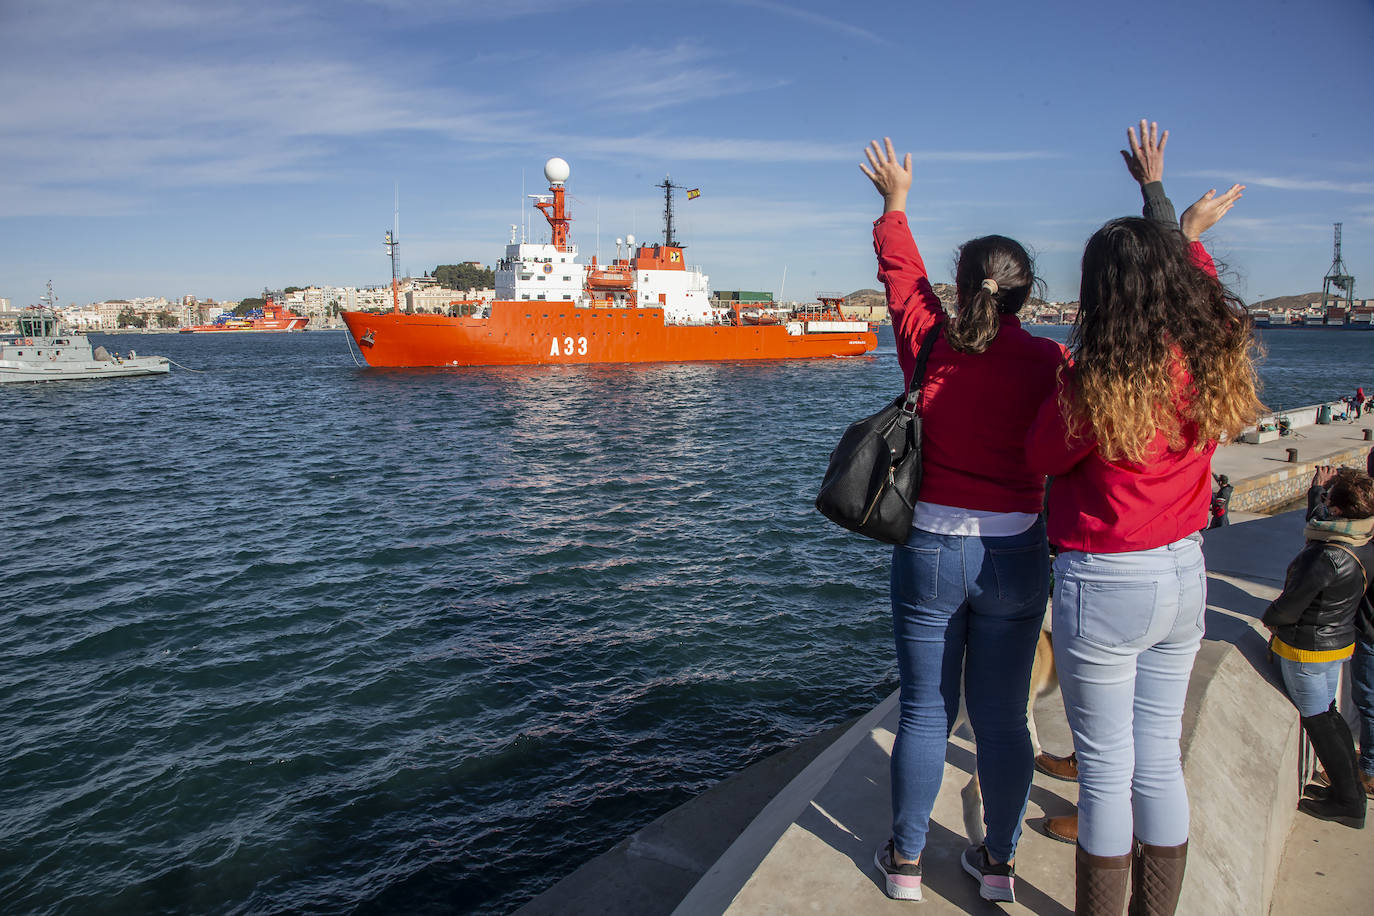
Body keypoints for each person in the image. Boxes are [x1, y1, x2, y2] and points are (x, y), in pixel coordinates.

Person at [1026, 120, 1263, 916]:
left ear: (1098, 292)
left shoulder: (1094, 380)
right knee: (1158, 762)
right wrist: (1172, 216)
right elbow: (1202, 293)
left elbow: (1041, 458)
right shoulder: (1210, 353)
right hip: (1183, 572)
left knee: (1105, 767)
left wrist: (1169, 212)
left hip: (1106, 578)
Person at [861, 137, 1068, 905]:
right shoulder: (1051, 361)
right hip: (1016, 553)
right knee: (1004, 717)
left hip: (931, 548)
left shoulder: (930, 345)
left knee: (924, 711)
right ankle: (998, 863)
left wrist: (895, 206)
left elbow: (901, 281)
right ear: (1025, 293)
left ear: (964, 286)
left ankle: (906, 864)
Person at [1262, 467, 1374, 829]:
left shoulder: (1327, 555)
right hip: (1337, 642)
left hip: (1307, 650)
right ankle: (1350, 794)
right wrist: (1317, 496)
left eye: (1328, 501)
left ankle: (1348, 801)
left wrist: (1271, 617)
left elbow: (1290, 605)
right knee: (1330, 715)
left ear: (1339, 511)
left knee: (1321, 723)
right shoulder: (1363, 543)